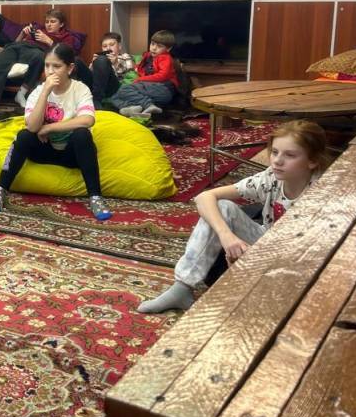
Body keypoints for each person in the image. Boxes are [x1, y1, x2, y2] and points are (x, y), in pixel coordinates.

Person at [138, 120, 331, 313]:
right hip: (267, 242)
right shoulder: (270, 178)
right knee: (222, 207)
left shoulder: (322, 194)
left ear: (312, 161)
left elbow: (316, 254)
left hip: (299, 260)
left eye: (290, 155)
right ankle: (182, 288)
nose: (277, 161)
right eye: (274, 152)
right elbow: (205, 197)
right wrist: (227, 236)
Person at [0, 43, 113, 221]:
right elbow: (32, 127)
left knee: (82, 134)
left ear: (70, 68)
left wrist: (49, 127)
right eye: (47, 66)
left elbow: (88, 120)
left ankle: (95, 197)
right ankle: (0, 190)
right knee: (23, 136)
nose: (50, 71)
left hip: (71, 155)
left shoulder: (79, 89)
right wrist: (45, 92)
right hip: (44, 150)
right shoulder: (38, 91)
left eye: (57, 66)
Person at [0, 10, 83, 113]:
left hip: (36, 50)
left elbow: (66, 53)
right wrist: (22, 33)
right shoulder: (39, 29)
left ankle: (21, 93)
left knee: (40, 57)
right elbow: (16, 42)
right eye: (47, 22)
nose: (49, 25)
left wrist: (49, 41)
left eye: (53, 22)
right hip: (18, 47)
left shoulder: (67, 37)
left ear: (61, 24)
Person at [112, 29, 179, 117]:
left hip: (163, 88)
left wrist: (140, 79)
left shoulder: (165, 58)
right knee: (115, 96)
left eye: (159, 46)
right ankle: (136, 109)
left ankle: (149, 105)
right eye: (152, 44)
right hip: (150, 90)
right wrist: (134, 68)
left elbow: (162, 75)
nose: (154, 48)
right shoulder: (148, 56)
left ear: (168, 49)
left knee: (125, 89)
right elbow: (140, 68)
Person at [89, 31, 136, 109]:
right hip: (96, 86)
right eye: (104, 46)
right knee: (77, 61)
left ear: (119, 46)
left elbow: (130, 74)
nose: (108, 48)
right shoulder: (100, 59)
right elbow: (91, 77)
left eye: (111, 45)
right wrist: (94, 65)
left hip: (113, 87)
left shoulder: (126, 57)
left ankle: (96, 100)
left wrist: (115, 63)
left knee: (102, 60)